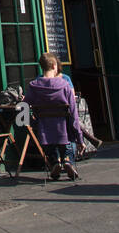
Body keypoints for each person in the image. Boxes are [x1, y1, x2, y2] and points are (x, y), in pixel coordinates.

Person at [24, 53, 83, 181]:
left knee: (47, 130)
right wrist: (80, 138)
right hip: (65, 131)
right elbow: (74, 114)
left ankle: (54, 162)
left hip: (44, 131)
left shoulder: (33, 86)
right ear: (53, 65)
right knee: (68, 128)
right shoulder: (64, 84)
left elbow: (24, 105)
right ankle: (67, 160)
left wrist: (27, 122)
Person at [54, 59, 102, 161]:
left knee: (70, 119)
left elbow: (72, 95)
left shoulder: (64, 78)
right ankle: (70, 158)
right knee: (71, 120)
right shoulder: (45, 79)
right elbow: (71, 96)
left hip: (57, 115)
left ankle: (65, 159)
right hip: (57, 116)